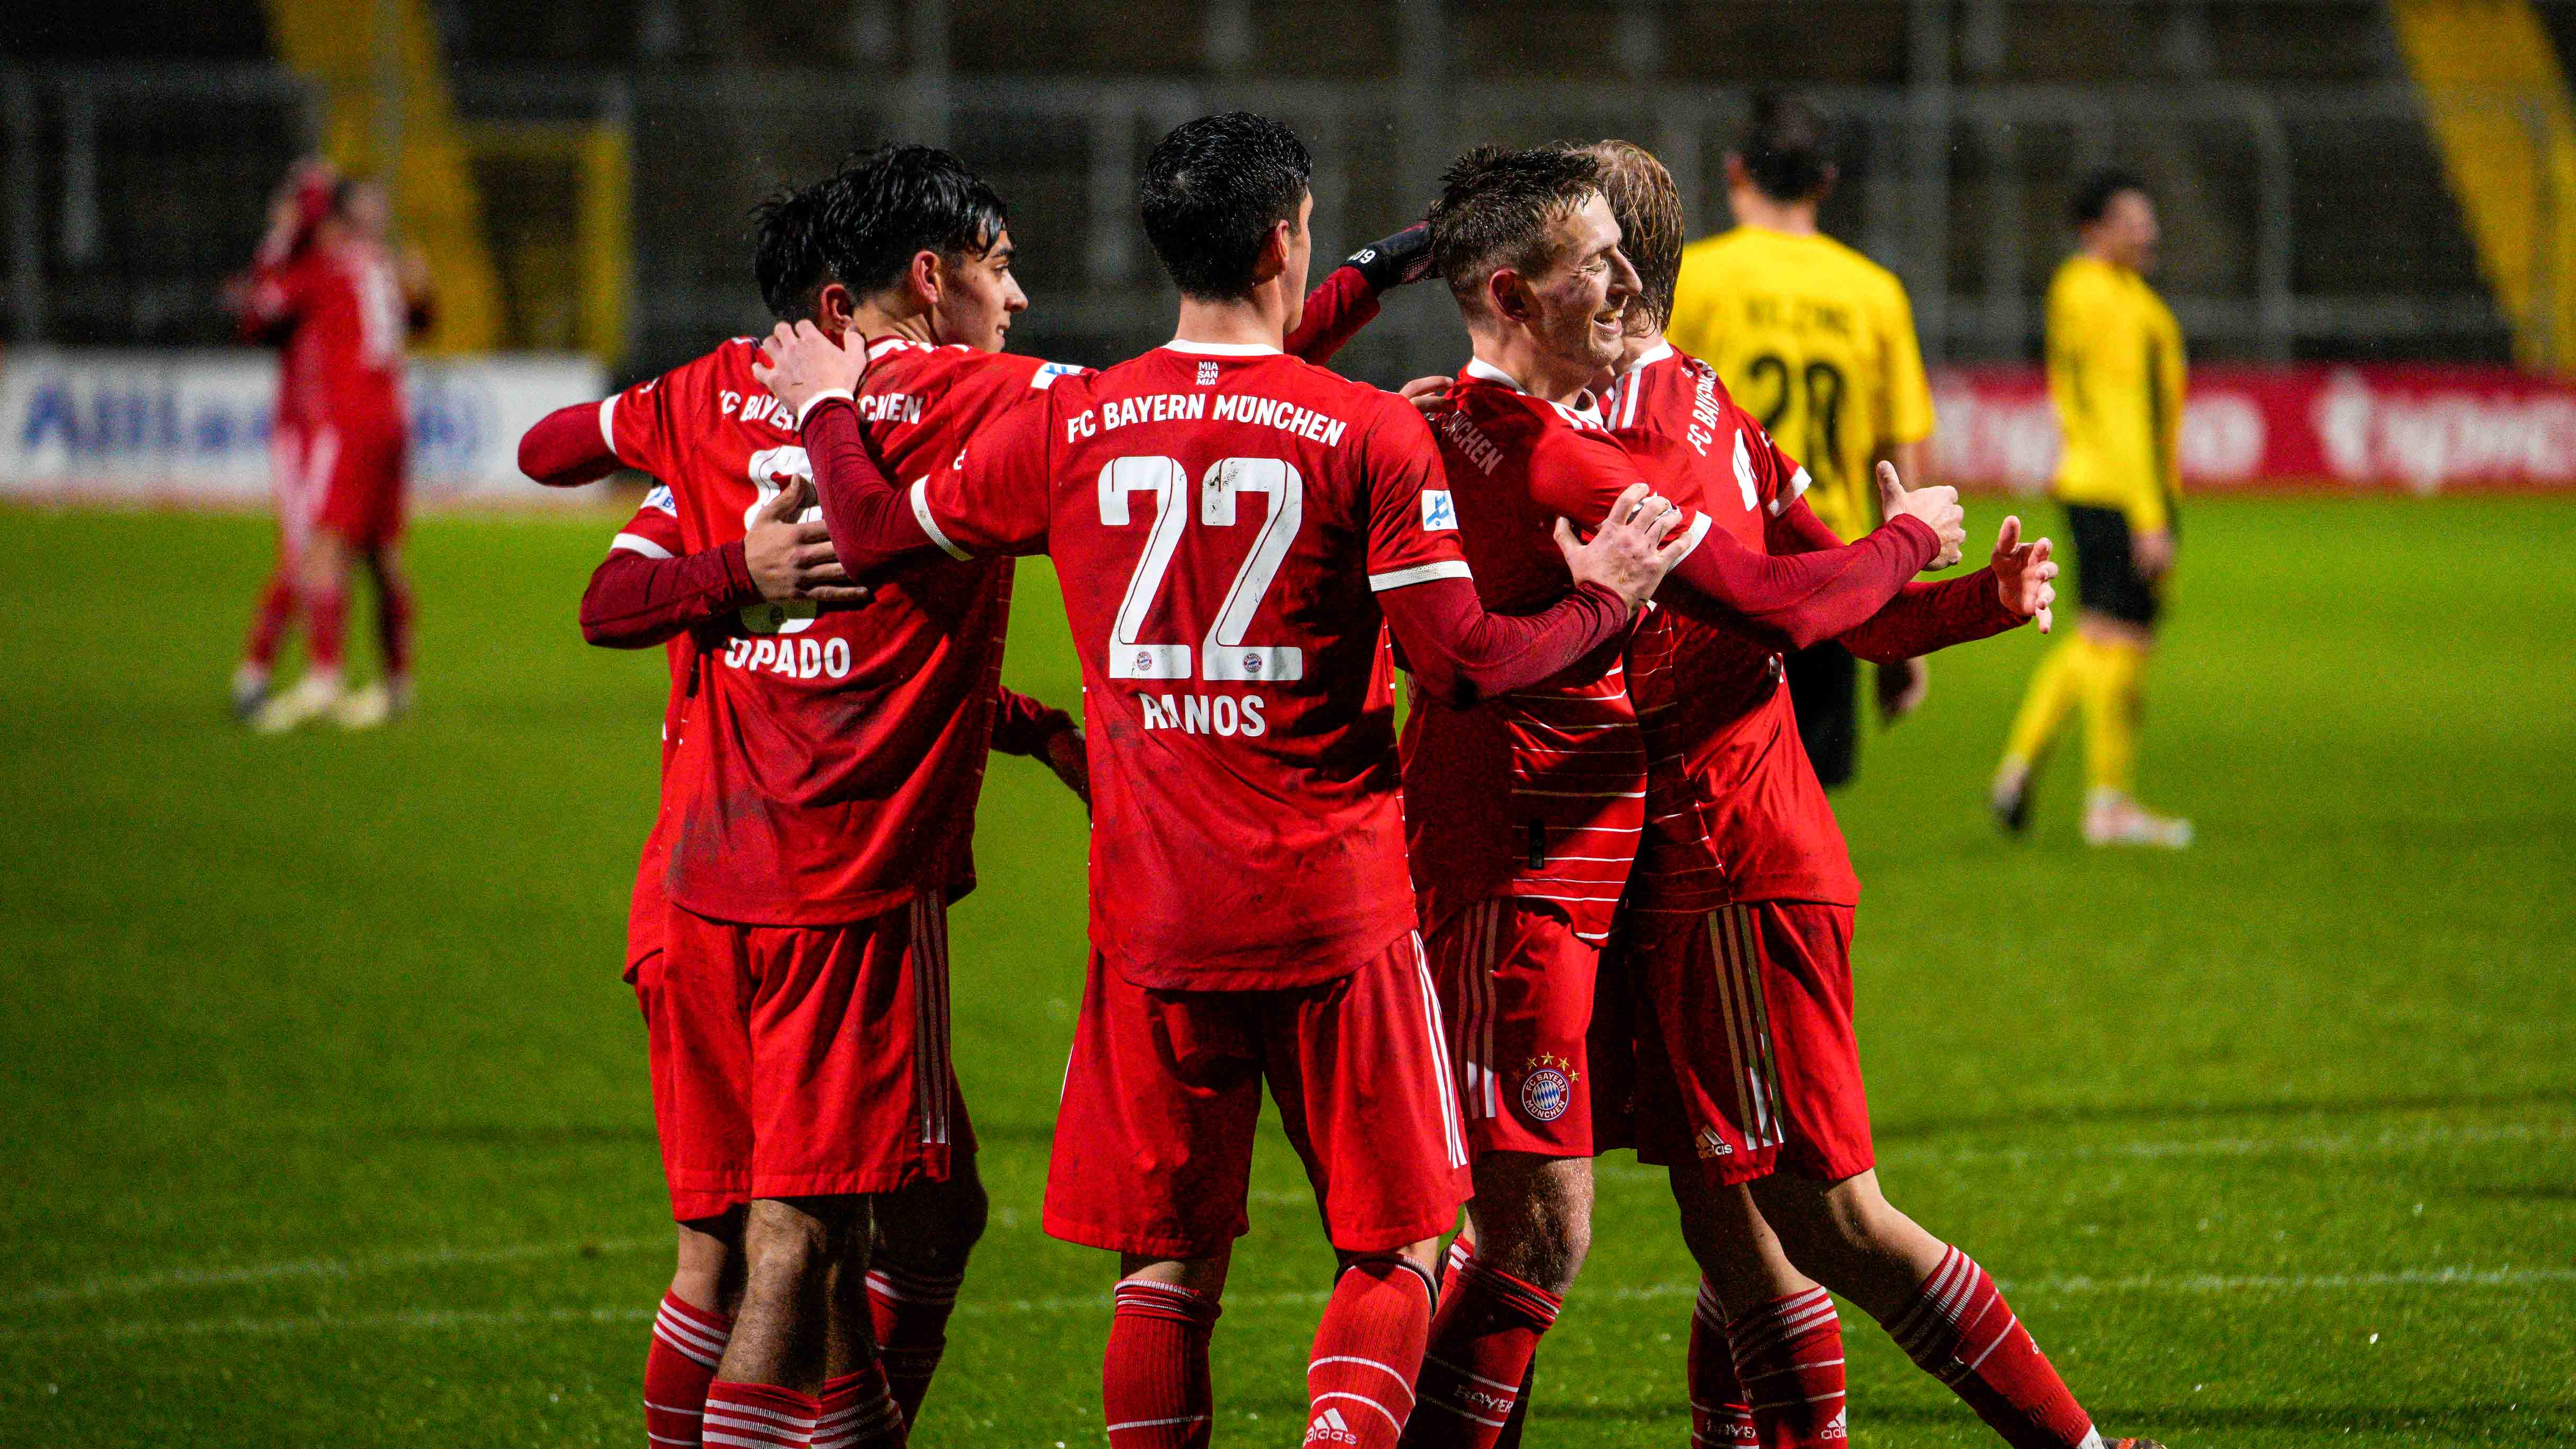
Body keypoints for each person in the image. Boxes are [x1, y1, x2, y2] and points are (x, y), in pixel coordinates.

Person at [760, 111, 1691, 1449]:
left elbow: (863, 531)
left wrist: (831, 408)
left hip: (1152, 917)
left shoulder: (1079, 420)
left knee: (1166, 1270)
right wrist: (1604, 600)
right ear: (1282, 239)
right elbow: (1469, 664)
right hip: (1335, 911)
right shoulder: (1368, 432)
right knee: (1400, 1248)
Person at [1577, 138, 2164, 1449]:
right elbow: (1846, 605)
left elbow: (1792, 601)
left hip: (1728, 860)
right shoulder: (1711, 406)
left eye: (1538, 257)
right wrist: (1965, 601)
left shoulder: (1646, 435)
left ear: (1602, 273)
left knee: (1823, 1218)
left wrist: (1914, 561)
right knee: (1721, 1208)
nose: (1513, 282)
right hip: (1688, 865)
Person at [1388, 144, 1968, 1449]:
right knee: (1553, 1226)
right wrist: (1913, 547)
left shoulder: (1489, 423)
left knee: (1703, 1196)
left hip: (1611, 850)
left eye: (1615, 256)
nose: (1616, 283)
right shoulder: (1586, 444)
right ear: (1522, 291)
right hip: (1548, 861)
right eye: (1589, 261)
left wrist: (1965, 594)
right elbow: (1782, 602)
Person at [516, 152, 1086, 1449]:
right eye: (1000, 268)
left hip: (702, 881)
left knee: (774, 1241)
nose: (1020, 298)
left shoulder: (715, 394)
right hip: (844, 892)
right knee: (799, 1247)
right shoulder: (968, 395)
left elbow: (551, 453)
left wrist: (697, 429)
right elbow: (1176, 406)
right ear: (929, 280)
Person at [1665, 93, 1941, 789]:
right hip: (1831, 576)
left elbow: (1648, 426)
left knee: (1703, 796)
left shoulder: (1694, 278)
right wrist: (1898, 618)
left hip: (1716, 577)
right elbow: (1904, 466)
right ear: (1825, 183)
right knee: (1804, 805)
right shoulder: (1874, 293)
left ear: (1735, 173)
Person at [1992, 171, 2192, 847]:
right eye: (2134, 220)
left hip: (2096, 482)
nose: (2150, 231)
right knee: (2119, 642)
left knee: (2097, 636)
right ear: (2095, 231)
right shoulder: (2103, 297)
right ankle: (2109, 804)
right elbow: (2122, 409)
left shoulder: (2095, 291)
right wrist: (2149, 513)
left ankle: (2021, 766)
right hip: (2119, 486)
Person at [228, 161, 434, 731]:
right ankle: (398, 684)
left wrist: (276, 238)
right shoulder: (381, 262)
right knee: (383, 554)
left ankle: (322, 678)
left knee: (319, 547)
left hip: (348, 421)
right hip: (392, 416)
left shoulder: (324, 265)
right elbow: (422, 315)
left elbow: (260, 310)